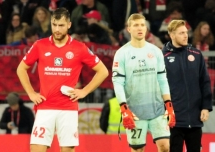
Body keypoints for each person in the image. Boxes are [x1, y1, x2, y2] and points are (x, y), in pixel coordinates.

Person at [16, 7, 108, 152]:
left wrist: (84, 91)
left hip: (68, 109)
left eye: (61, 25)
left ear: (69, 25)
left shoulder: (79, 48)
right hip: (45, 107)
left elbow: (103, 71)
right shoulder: (40, 45)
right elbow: (21, 69)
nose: (57, 29)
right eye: (54, 25)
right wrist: (31, 93)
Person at [112, 13, 176, 152]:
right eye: (135, 25)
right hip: (135, 112)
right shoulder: (122, 53)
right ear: (129, 29)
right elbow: (117, 82)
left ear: (146, 28)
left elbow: (162, 79)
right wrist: (124, 109)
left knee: (165, 147)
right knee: (138, 150)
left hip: (157, 110)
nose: (140, 28)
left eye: (142, 25)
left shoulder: (155, 51)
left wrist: (169, 105)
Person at [162, 19, 213, 152]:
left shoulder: (196, 55)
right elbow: (158, 86)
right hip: (173, 120)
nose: (186, 36)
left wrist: (206, 107)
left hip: (195, 119)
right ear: (172, 35)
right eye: (181, 33)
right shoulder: (162, 57)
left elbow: (205, 82)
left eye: (186, 32)